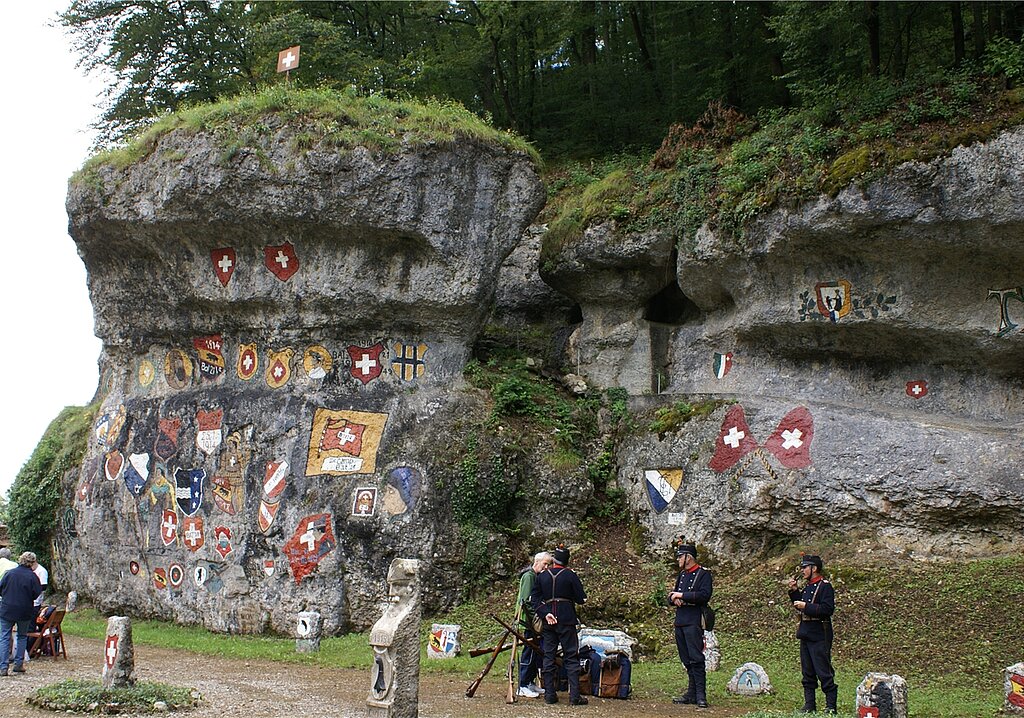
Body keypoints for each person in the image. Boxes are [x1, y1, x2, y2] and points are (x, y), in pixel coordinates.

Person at [531, 544, 587, 706]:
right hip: (567, 620)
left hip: (548, 621)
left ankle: (550, 694)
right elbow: (581, 599)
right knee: (571, 657)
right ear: (567, 561)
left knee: (548, 656)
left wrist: (545, 613)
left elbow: (534, 599)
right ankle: (574, 696)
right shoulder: (570, 576)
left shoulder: (542, 576)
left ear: (553, 560)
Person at [788, 554, 837, 714]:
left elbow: (827, 609)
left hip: (819, 633)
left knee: (823, 671)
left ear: (814, 568)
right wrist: (795, 592)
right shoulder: (809, 586)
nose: (802, 571)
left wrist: (806, 606)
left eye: (805, 567)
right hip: (806, 632)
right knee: (807, 671)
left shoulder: (825, 586)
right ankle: (810, 705)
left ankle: (830, 706)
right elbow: (801, 605)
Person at [668, 541, 713, 708]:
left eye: (681, 556)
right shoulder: (682, 575)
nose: (678, 559)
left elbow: (704, 595)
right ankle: (691, 692)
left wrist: (682, 595)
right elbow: (672, 595)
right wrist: (674, 598)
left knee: (696, 658)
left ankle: (701, 694)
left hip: (693, 620)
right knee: (686, 659)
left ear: (689, 558)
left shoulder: (703, 574)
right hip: (681, 620)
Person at [516, 551, 553, 699]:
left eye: (548, 565)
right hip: (528, 621)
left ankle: (529, 682)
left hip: (533, 620)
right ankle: (522, 685)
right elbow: (526, 601)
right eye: (545, 564)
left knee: (535, 651)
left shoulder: (536, 576)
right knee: (528, 652)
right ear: (537, 562)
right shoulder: (529, 576)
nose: (546, 567)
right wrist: (538, 617)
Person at [0, 552, 43, 676]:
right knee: (22, 636)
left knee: (4, 636)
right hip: (24, 610)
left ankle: (3, 667)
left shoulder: (10, 573)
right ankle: (18, 664)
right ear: (32, 562)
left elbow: (0, 588)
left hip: (7, 609)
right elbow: (36, 593)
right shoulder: (32, 577)